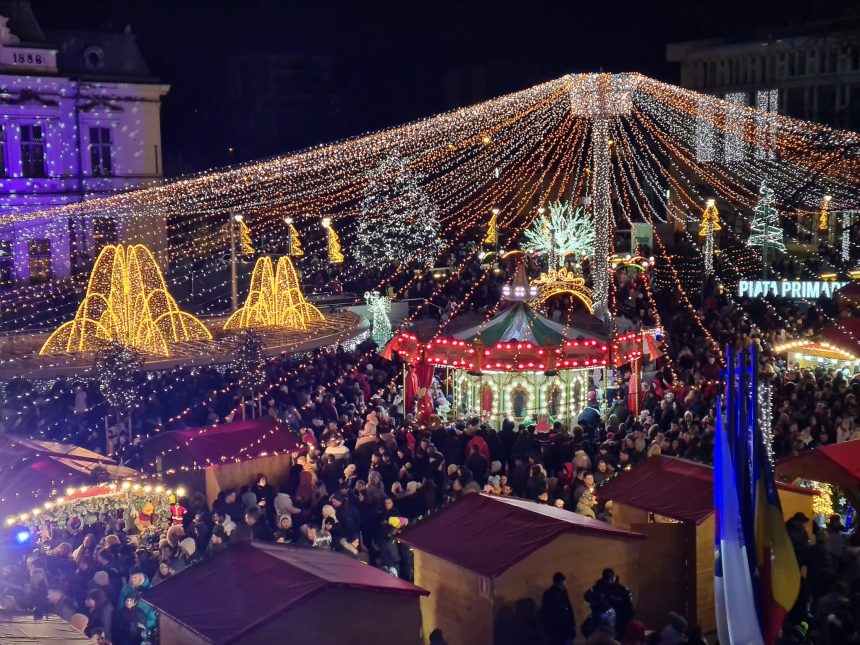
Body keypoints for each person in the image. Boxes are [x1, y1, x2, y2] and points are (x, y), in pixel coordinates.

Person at [584, 569, 634, 639]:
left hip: (618, 623)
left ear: (614, 577)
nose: (609, 581)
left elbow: (629, 608)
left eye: (611, 579)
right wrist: (597, 601)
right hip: (601, 622)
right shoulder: (598, 587)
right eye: (607, 579)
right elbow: (587, 596)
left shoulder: (622, 590)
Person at [541, 572, 576, 645]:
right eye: (562, 585)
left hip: (564, 630)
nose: (564, 587)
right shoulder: (550, 595)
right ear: (557, 583)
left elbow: (568, 608)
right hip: (559, 632)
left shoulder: (562, 592)